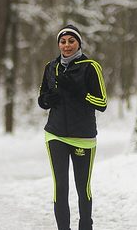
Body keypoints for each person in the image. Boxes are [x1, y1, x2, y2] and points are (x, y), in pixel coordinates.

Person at [37, 25, 107, 230]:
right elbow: (42, 99)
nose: (66, 45)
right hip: (55, 133)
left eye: (71, 41)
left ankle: (85, 225)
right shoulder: (51, 67)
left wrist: (78, 91)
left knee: (82, 187)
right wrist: (48, 99)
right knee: (60, 187)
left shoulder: (90, 66)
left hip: (83, 136)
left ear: (79, 43)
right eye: (63, 41)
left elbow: (102, 103)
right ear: (58, 44)